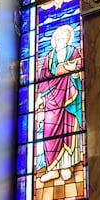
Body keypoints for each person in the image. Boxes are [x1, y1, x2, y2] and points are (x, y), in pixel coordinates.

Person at [35, 22, 83, 182]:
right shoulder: (49, 57)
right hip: (51, 99)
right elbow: (43, 79)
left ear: (68, 39)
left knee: (69, 130)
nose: (60, 40)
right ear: (54, 40)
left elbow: (79, 71)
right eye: (58, 37)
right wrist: (41, 97)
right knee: (50, 131)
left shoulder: (73, 51)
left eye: (64, 37)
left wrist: (73, 72)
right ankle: (53, 169)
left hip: (69, 96)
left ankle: (66, 166)